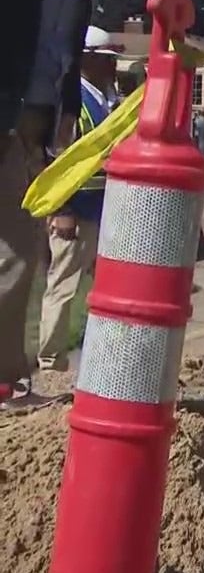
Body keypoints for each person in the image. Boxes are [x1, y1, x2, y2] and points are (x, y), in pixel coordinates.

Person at [0, 0, 136, 406]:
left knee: (23, 253)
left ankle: (8, 379)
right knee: (15, 254)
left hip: (36, 124)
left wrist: (64, 109)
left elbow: (70, 37)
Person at [36, 25, 120, 373]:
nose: (113, 66)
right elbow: (54, 160)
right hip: (77, 214)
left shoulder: (106, 100)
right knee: (64, 288)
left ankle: (98, 353)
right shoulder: (73, 103)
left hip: (105, 214)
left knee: (107, 292)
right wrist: (62, 208)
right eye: (106, 59)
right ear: (86, 59)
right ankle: (51, 360)